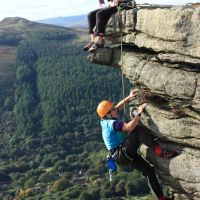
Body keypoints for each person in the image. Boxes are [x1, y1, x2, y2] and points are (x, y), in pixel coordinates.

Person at [96, 89, 174, 200]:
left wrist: (129, 97)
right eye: (112, 109)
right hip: (122, 153)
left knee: (149, 171)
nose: (115, 109)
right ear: (108, 114)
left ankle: (161, 198)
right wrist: (139, 112)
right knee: (137, 129)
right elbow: (129, 127)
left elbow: (118, 107)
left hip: (122, 155)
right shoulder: (111, 123)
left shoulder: (106, 118)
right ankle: (159, 151)